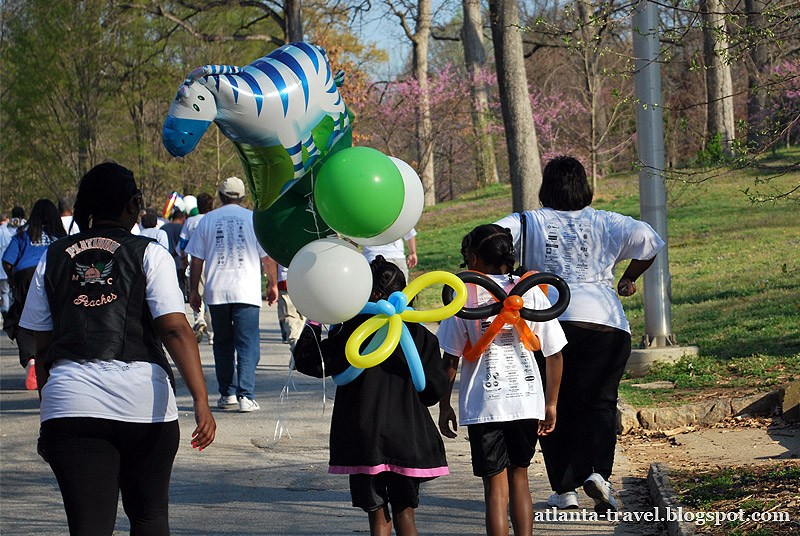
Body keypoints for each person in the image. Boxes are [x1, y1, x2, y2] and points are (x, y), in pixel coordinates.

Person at [18, 162, 216, 535]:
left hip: (70, 405)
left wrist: (52, 412)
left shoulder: (53, 256)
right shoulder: (150, 253)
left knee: (89, 527)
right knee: (149, 517)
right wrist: (201, 402)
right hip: (144, 403)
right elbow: (174, 329)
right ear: (134, 204)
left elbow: (42, 350)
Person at [494, 155, 666, 514]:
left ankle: (564, 489)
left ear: (546, 187)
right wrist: (629, 276)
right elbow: (651, 240)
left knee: (553, 406)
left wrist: (507, 279)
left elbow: (489, 238)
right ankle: (597, 474)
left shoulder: (528, 221)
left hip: (548, 322)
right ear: (585, 186)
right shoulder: (607, 221)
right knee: (599, 403)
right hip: (605, 323)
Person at [293, 256, 449, 536]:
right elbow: (433, 391)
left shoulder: (353, 331)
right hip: (408, 435)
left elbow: (310, 361)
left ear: (373, 294)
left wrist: (314, 319)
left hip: (364, 436)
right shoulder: (421, 334)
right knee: (406, 515)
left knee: (378, 520)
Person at [436, 224, 566, 536]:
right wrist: (551, 404)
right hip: (525, 401)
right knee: (520, 478)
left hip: (484, 404)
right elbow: (554, 354)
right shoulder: (531, 289)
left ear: (474, 256)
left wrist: (444, 405)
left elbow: (450, 358)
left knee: (495, 489)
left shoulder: (462, 293)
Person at [185, 177, 278, 413]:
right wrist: (273, 284)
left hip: (217, 291)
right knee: (247, 343)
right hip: (245, 290)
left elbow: (196, 259)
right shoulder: (252, 219)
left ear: (220, 196)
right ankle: (246, 395)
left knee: (223, 344)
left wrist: (193, 291)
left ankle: (227, 394)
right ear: (243, 196)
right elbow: (266, 257)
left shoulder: (208, 219)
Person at [2, 199, 66, 390]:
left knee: (24, 318)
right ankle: (57, 361)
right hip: (53, 272)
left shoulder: (23, 235)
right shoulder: (60, 236)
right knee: (57, 317)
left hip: (26, 274)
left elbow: (7, 261)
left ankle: (31, 359)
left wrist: (12, 279)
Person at [178, 192, 214, 343]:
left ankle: (199, 320)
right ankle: (212, 334)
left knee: (196, 293)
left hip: (196, 260)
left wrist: (183, 258)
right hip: (212, 260)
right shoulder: (214, 219)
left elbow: (183, 243)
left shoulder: (190, 221)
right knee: (210, 296)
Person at [275, 263, 305, 350]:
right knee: (304, 316)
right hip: (304, 279)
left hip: (285, 279)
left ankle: (296, 342)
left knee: (289, 316)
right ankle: (300, 342)